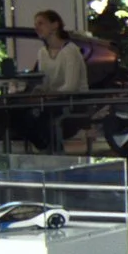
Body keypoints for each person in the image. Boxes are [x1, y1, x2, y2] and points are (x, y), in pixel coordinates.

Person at [13, 9, 88, 150]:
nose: (37, 27)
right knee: (17, 112)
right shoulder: (42, 53)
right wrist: (36, 92)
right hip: (51, 100)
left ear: (55, 25)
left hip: (72, 102)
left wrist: (46, 96)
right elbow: (45, 82)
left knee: (41, 116)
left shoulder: (70, 50)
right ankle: (46, 147)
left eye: (41, 23)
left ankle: (51, 147)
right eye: (36, 24)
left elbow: (71, 86)